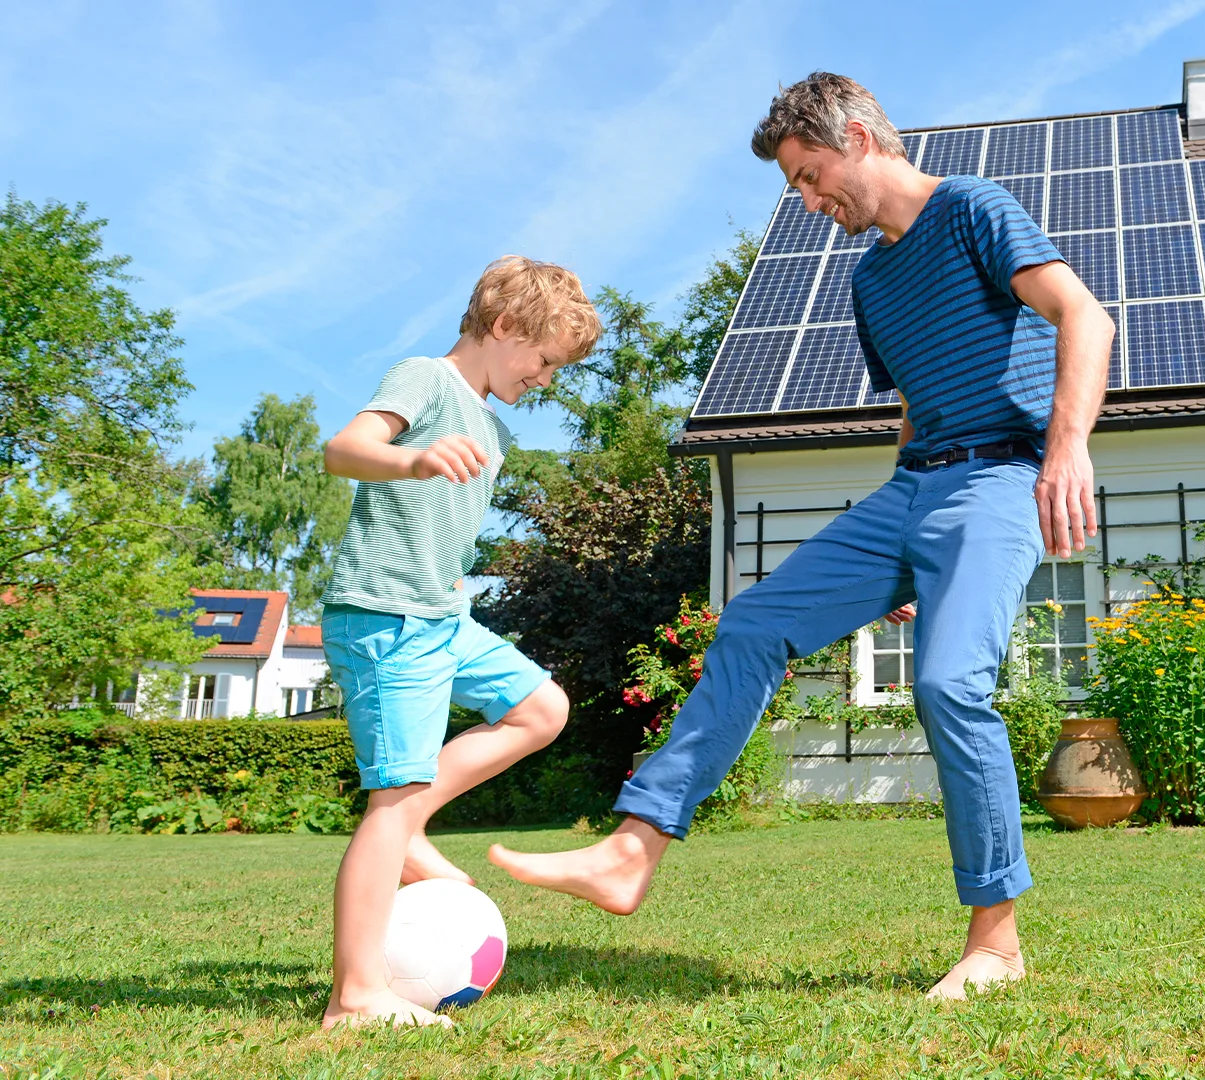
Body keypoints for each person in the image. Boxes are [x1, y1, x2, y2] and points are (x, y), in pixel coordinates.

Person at [489, 72, 1111, 1001]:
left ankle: (996, 942)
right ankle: (632, 848)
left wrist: (1066, 451)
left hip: (1000, 476)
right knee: (751, 624)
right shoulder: (871, 280)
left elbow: (1083, 316)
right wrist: (895, 551)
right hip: (916, 489)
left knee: (948, 685)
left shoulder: (975, 209)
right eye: (796, 186)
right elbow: (915, 411)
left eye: (811, 175)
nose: (808, 200)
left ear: (860, 138)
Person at [317, 256, 602, 1028]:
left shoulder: (490, 424)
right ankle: (356, 995)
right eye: (543, 360)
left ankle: (405, 828)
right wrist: (410, 457)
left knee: (541, 709)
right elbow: (343, 449)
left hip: (440, 618)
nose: (546, 378)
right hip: (385, 617)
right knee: (394, 795)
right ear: (504, 328)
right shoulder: (426, 379)